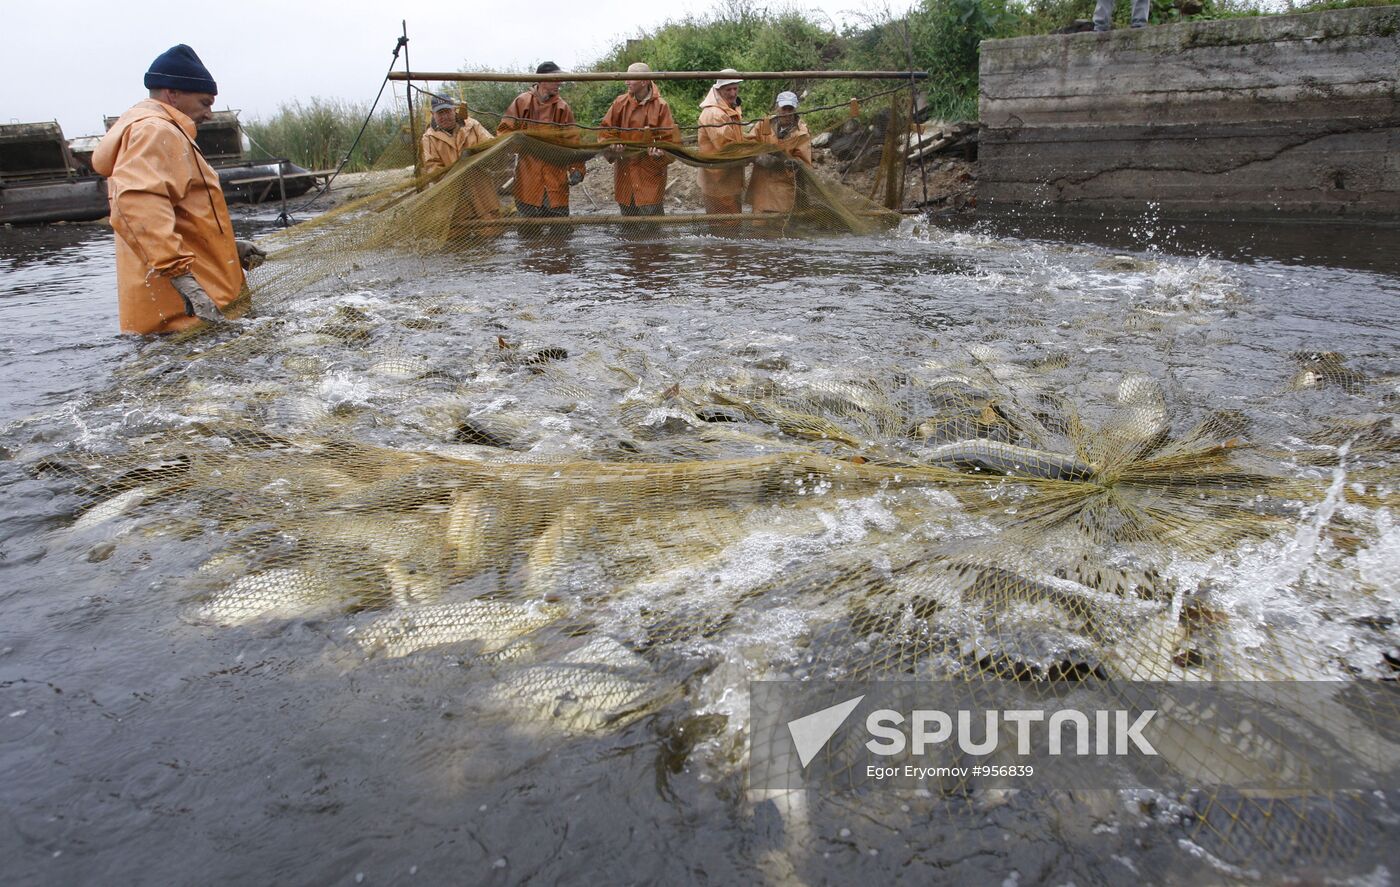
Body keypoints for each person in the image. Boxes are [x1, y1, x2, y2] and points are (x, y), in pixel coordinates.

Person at [92, 44, 264, 335]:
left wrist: (226, 248)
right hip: (183, 318)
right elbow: (139, 208)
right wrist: (183, 280)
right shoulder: (156, 131)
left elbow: (176, 215)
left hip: (200, 312)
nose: (209, 113)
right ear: (173, 94)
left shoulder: (163, 131)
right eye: (204, 102)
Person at [495, 61, 586, 229]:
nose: (559, 83)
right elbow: (503, 131)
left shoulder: (562, 107)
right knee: (528, 233)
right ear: (541, 80)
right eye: (555, 79)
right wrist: (518, 142)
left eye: (560, 79)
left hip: (555, 177)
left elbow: (573, 142)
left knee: (561, 232)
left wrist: (577, 169)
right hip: (527, 176)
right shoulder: (521, 102)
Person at [600, 62, 681, 225]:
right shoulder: (619, 103)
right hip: (625, 177)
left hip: (649, 177)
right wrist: (613, 145)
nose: (626, 82)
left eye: (630, 78)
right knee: (628, 230)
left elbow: (670, 141)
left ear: (644, 81)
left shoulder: (661, 106)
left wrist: (660, 154)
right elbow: (605, 131)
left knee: (653, 229)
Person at [696, 70, 753, 217]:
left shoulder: (728, 109)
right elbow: (728, 147)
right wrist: (754, 154)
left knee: (730, 222)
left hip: (729, 178)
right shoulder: (715, 114)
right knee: (725, 225)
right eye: (728, 89)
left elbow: (736, 137)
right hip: (718, 180)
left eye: (735, 88)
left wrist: (753, 141)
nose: (733, 93)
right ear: (719, 90)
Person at [746, 92, 813, 215]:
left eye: (790, 108)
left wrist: (785, 163)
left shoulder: (802, 133)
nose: (787, 112)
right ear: (777, 107)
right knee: (758, 227)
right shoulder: (763, 124)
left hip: (783, 189)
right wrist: (758, 156)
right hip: (761, 187)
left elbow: (804, 163)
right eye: (784, 108)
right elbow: (748, 144)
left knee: (779, 227)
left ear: (795, 109)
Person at [420, 93, 493, 176]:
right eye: (440, 113)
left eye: (448, 111)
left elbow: (490, 145)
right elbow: (433, 168)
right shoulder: (428, 138)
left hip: (481, 184)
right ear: (433, 114)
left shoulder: (473, 125)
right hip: (452, 187)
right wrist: (457, 181)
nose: (445, 117)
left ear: (454, 110)